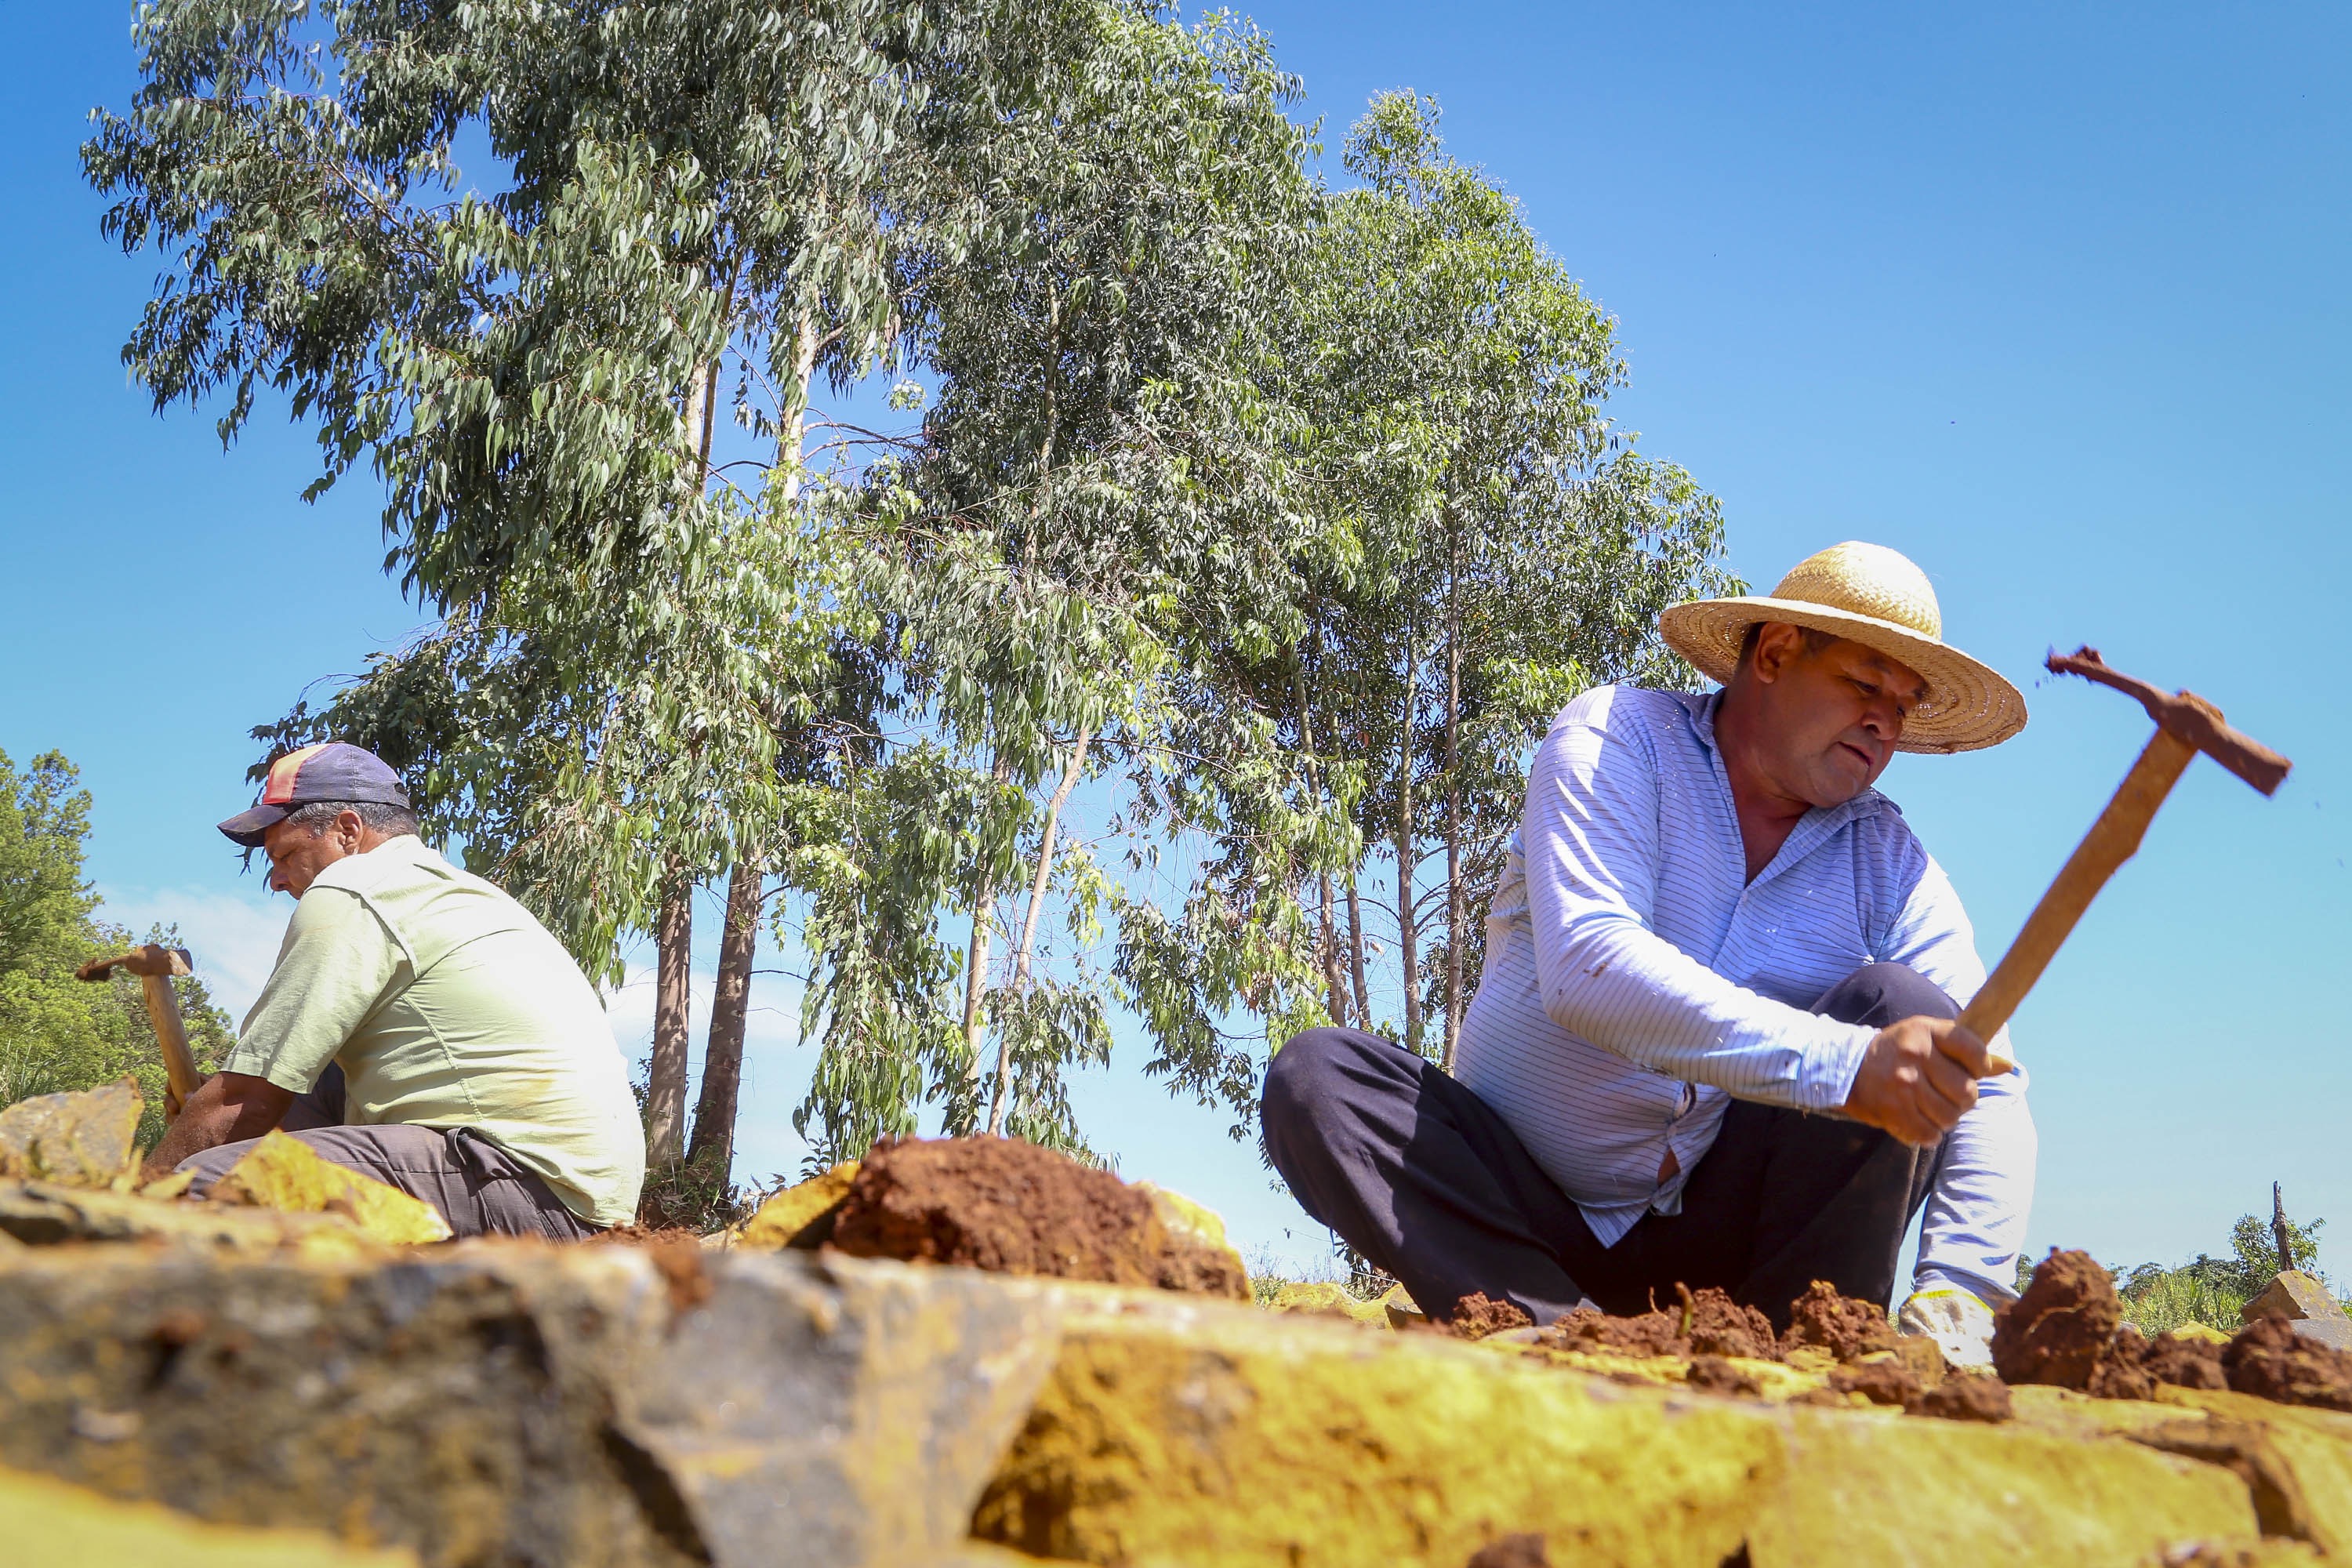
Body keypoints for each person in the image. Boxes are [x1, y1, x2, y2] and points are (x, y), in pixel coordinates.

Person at [1262, 542, 2034, 1366]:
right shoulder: (1619, 740)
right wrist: (1845, 1066)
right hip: (1526, 1219)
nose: (1885, 723)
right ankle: (1559, 1334)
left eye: (1905, 704)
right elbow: (1590, 968)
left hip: (1725, 1257)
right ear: (1776, 653)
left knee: (1905, 1010)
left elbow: (1984, 1076)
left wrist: (1961, 1288)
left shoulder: (1888, 861)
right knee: (1320, 1078)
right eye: (1864, 684)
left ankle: (1804, 1354)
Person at [144, 742, 647, 1239]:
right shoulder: (453, 892)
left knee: (204, 1186)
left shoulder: (355, 887)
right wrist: (204, 1116)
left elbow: (245, 1101)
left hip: (523, 1186)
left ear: (347, 831)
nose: (276, 880)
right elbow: (263, 1097)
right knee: (315, 1081)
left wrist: (132, 1195)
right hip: (573, 1195)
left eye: (286, 854)